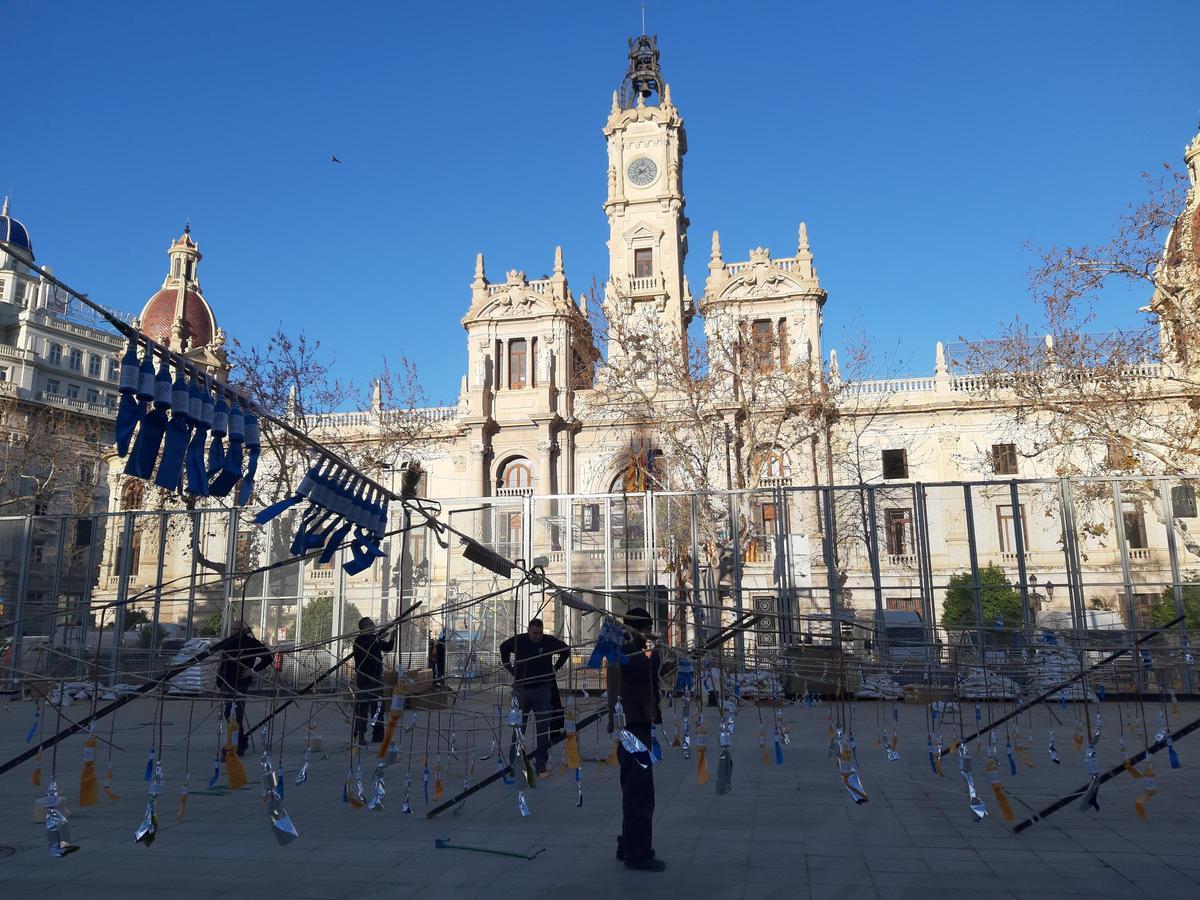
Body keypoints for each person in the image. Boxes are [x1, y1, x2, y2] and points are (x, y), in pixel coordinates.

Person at [607, 607, 665, 872]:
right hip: (632, 731)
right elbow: (645, 670)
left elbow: (651, 674)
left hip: (633, 728)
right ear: (642, 629)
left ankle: (627, 844)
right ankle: (638, 854)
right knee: (640, 794)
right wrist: (660, 649)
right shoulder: (628, 649)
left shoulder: (624, 646)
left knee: (633, 791)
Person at [499, 617, 568, 775]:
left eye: (540, 633)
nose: (538, 636)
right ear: (529, 631)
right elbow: (503, 647)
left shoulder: (548, 641)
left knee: (542, 730)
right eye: (535, 633)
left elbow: (566, 650)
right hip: (522, 690)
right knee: (519, 729)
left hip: (542, 691)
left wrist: (556, 667)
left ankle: (541, 764)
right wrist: (509, 667)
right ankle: (514, 764)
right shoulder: (520, 640)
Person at [216, 619, 272, 756]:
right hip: (227, 682)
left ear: (244, 630)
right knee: (229, 713)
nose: (236, 632)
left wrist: (253, 670)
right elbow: (223, 663)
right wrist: (219, 680)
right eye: (234, 629)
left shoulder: (251, 643)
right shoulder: (228, 643)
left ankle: (236, 744)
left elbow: (268, 657)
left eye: (238, 630)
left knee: (236, 713)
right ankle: (239, 741)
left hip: (240, 683)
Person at [352, 617, 395, 745]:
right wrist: (378, 638)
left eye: (372, 623)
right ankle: (360, 734)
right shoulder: (359, 641)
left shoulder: (375, 639)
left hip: (376, 677)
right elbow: (368, 648)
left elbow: (387, 647)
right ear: (363, 628)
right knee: (363, 707)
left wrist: (391, 638)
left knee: (378, 706)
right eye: (369, 624)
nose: (372, 625)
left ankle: (378, 734)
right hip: (365, 678)